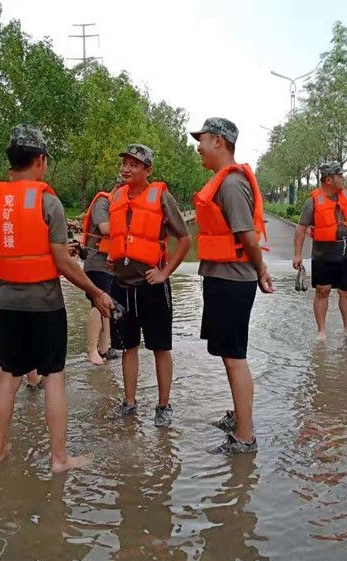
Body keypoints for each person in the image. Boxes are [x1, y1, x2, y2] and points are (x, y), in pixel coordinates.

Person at [0, 124, 113, 471]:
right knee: (54, 379)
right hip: (46, 305)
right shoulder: (48, 202)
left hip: (10, 304)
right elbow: (63, 262)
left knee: (9, 377)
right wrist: (95, 292)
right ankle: (59, 459)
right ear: (40, 160)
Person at [191, 117, 274, 454]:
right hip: (222, 277)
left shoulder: (231, 184)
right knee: (229, 355)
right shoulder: (222, 182)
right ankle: (240, 417)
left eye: (203, 139)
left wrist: (261, 270)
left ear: (219, 142)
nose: (198, 147)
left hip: (232, 280)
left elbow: (248, 236)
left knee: (235, 357)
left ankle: (245, 435)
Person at [107, 144, 191, 426]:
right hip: (121, 285)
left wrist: (165, 272)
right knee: (128, 346)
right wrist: (113, 257)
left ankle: (163, 406)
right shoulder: (117, 196)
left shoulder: (161, 197)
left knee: (160, 347)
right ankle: (129, 403)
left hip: (152, 286)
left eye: (134, 164)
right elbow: (121, 235)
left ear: (147, 170)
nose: (126, 168)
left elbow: (185, 239)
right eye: (125, 163)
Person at [292, 161, 347, 342]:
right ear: (328, 180)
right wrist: (297, 254)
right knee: (322, 291)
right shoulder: (312, 202)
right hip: (323, 256)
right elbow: (301, 228)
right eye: (339, 176)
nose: (343, 179)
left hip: (346, 253)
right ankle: (321, 332)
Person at [81, 178, 119, 365]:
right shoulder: (103, 202)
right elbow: (105, 229)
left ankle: (105, 348)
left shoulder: (120, 207)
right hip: (97, 264)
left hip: (111, 266)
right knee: (98, 304)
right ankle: (91, 350)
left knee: (108, 305)